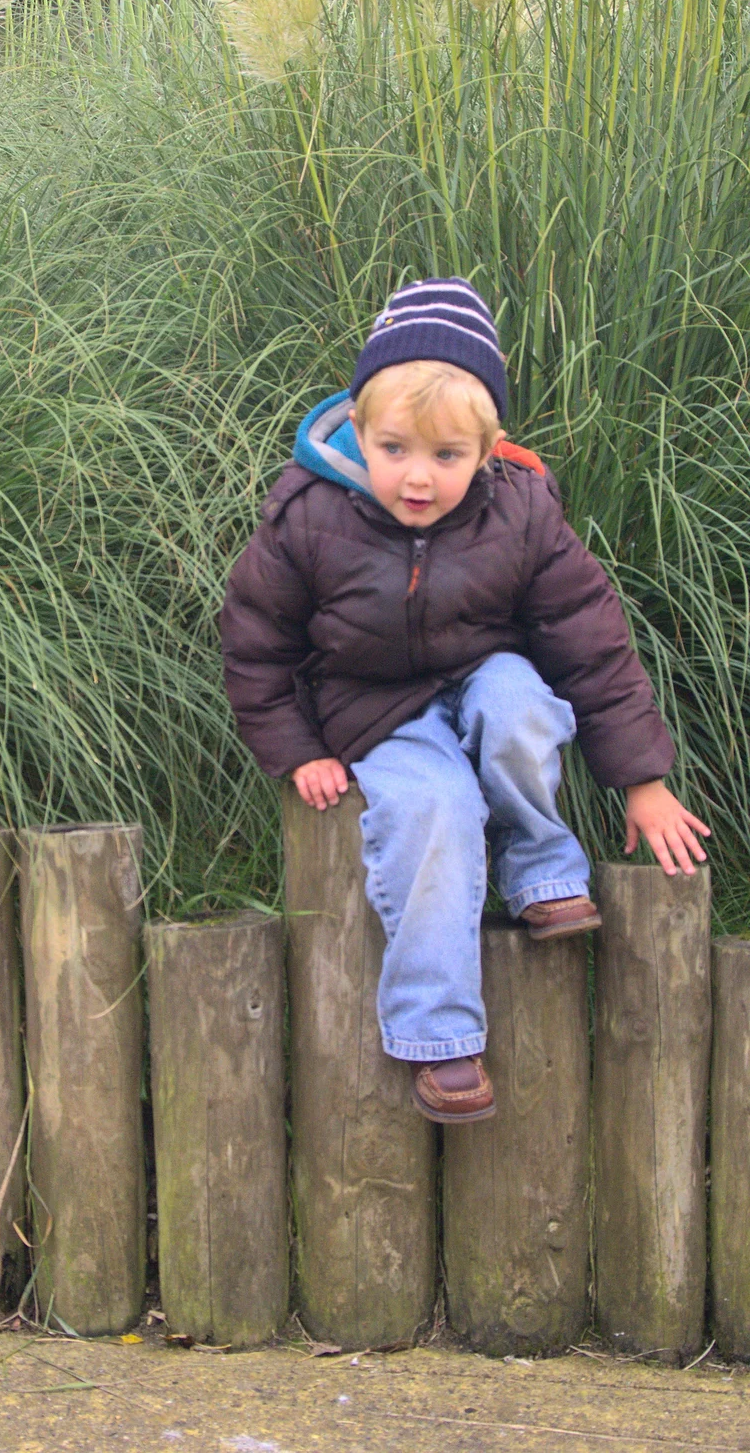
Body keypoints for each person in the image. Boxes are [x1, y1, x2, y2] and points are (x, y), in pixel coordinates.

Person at [220, 276, 710, 1124]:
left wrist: (642, 778)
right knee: (434, 809)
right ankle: (439, 1032)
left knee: (520, 704)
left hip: (484, 670)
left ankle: (541, 868)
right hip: (376, 709)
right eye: (395, 449)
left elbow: (588, 639)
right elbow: (256, 642)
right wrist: (298, 747)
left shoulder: (519, 512)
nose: (417, 478)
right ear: (361, 432)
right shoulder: (309, 514)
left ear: (489, 452)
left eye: (446, 457)